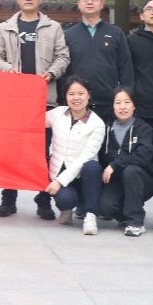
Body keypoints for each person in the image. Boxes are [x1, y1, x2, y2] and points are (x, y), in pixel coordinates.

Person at [0, 0, 70, 220]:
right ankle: (8, 199)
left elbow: (63, 57)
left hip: (44, 100)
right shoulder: (5, 28)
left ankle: (43, 200)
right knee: (11, 152)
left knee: (43, 152)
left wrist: (52, 73)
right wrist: (7, 69)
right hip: (14, 101)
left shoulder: (53, 28)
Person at [63, 0, 134, 125]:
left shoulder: (116, 33)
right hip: (78, 106)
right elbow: (64, 72)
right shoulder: (68, 35)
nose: (89, 2)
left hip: (110, 105)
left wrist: (125, 99)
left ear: (102, 3)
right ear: (79, 4)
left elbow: (126, 69)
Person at [45, 76, 105, 235]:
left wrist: (59, 181)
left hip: (83, 176)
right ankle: (67, 209)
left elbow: (85, 157)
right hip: (60, 170)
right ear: (65, 96)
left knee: (92, 166)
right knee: (65, 200)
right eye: (71, 94)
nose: (76, 98)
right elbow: (33, 120)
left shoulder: (97, 124)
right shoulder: (57, 114)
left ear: (88, 95)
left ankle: (90, 215)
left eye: (81, 93)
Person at [98, 87, 153, 236]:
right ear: (113, 106)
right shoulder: (106, 129)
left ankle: (135, 222)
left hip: (142, 180)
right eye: (118, 103)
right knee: (105, 207)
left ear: (134, 105)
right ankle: (126, 213)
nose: (122, 107)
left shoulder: (143, 128)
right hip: (116, 181)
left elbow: (143, 156)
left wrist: (115, 164)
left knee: (131, 170)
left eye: (127, 102)